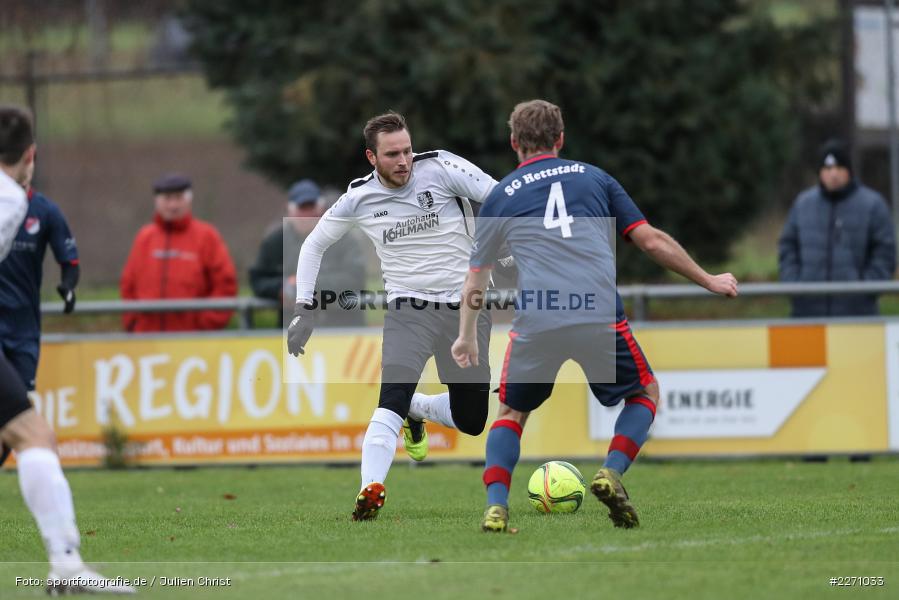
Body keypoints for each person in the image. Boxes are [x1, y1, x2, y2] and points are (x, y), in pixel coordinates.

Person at [451, 99, 738, 532]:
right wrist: (709, 279)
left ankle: (496, 506)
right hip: (596, 312)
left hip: (540, 318)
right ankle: (611, 472)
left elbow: (477, 279)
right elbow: (651, 241)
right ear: (560, 139)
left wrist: (467, 336)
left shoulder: (501, 195)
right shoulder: (595, 178)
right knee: (644, 394)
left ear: (514, 142)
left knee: (511, 415)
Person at [287, 112, 498, 521]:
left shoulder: (441, 168)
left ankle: (416, 410)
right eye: (393, 154)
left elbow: (498, 195)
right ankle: (369, 490)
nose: (404, 161)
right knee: (391, 397)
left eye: (407, 150)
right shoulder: (358, 198)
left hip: (465, 306)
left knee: (471, 420)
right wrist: (304, 309)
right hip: (408, 308)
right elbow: (313, 245)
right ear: (372, 157)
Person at [0, 105, 135, 594]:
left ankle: (66, 566)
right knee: (35, 437)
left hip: (15, 337)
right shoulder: (14, 202)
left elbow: (67, 256)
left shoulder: (38, 210)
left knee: (24, 434)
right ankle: (67, 567)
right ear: (30, 154)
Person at [778, 139, 896, 317]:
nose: (833, 174)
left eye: (839, 168)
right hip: (807, 314)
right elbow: (787, 247)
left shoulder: (873, 205)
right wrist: (795, 286)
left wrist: (865, 289)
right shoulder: (802, 204)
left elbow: (885, 253)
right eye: (827, 169)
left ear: (849, 171)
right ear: (820, 172)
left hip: (857, 316)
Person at [120, 173, 238, 332]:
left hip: (192, 344)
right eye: (167, 199)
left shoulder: (207, 236)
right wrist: (132, 322)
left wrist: (206, 324)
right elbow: (128, 284)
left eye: (179, 198)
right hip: (148, 341)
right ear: (157, 201)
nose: (173, 205)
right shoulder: (144, 238)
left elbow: (225, 284)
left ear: (189, 200)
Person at [0, 158, 79, 393]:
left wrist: (68, 286)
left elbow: (70, 261)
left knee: (20, 403)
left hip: (24, 326)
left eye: (30, 160)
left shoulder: (45, 211)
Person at [249, 179, 367, 327]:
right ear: (290, 210)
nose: (307, 214)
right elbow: (258, 280)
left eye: (311, 207)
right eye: (301, 208)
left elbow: (356, 277)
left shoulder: (343, 238)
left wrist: (306, 286)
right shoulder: (275, 241)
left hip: (341, 331)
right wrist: (283, 287)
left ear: (321, 208)